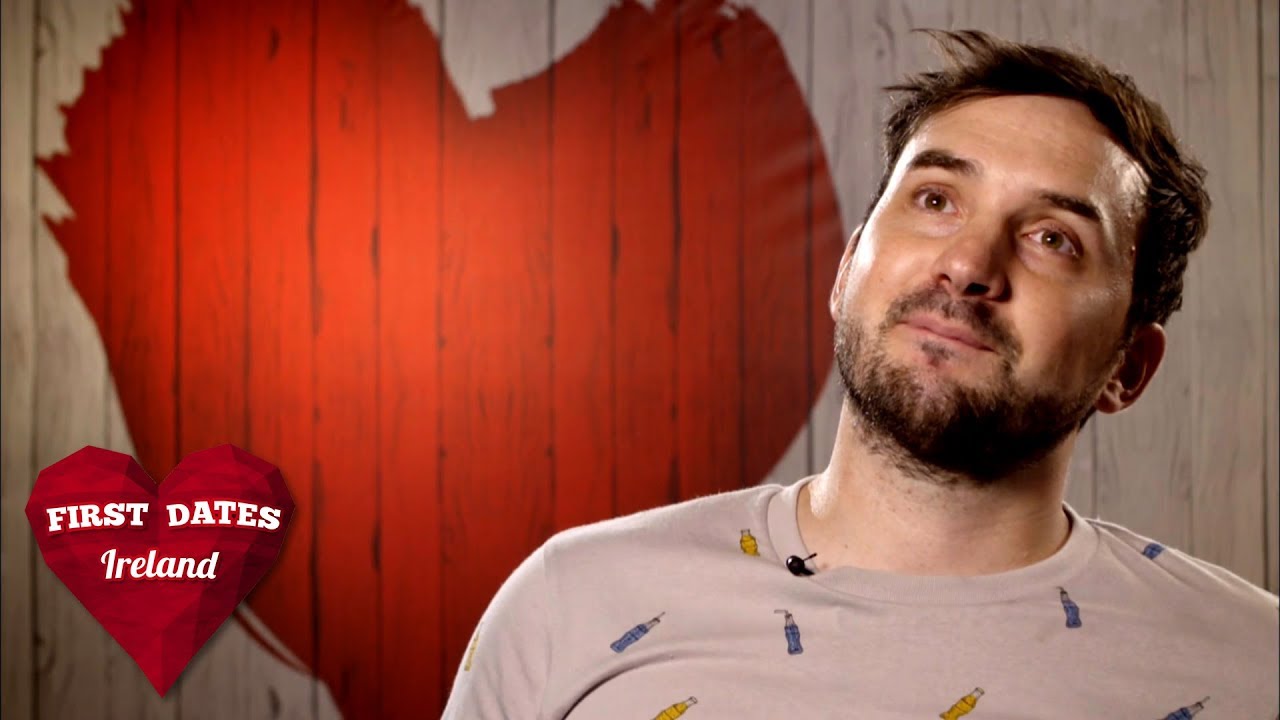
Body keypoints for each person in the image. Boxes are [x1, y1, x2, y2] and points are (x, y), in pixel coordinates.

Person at [442, 30, 1278, 719]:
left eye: (1053, 239)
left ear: (1128, 367)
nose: (967, 265)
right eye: (936, 199)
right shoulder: (572, 600)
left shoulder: (1255, 668)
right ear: (847, 273)